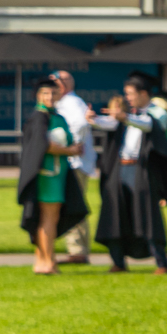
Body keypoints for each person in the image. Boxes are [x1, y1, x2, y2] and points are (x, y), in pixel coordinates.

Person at [91, 74, 167, 275]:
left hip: (142, 170)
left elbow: (149, 125)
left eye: (130, 94)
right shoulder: (130, 114)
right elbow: (112, 124)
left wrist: (125, 117)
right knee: (114, 213)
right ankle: (118, 262)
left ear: (143, 93)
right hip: (121, 167)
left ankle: (162, 263)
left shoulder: (157, 113)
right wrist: (93, 120)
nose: (127, 98)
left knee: (147, 215)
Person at [19, 76, 88, 274]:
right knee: (48, 218)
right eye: (46, 93)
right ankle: (47, 262)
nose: (50, 96)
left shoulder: (56, 117)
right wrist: (71, 151)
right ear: (38, 96)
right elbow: (43, 145)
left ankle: (43, 260)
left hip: (58, 173)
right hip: (48, 175)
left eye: (54, 92)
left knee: (47, 218)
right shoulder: (40, 117)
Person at [52, 69, 96, 265]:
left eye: (54, 83)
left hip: (75, 161)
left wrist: (71, 146)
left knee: (73, 203)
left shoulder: (70, 102)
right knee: (74, 202)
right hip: (76, 160)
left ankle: (77, 251)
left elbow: (80, 123)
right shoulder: (67, 102)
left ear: (62, 85)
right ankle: (79, 249)